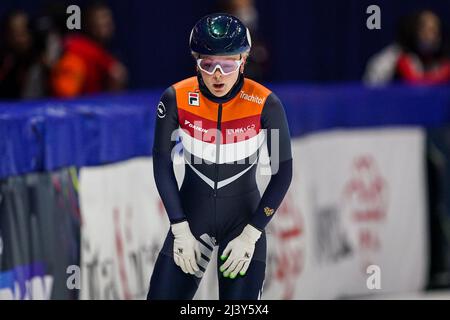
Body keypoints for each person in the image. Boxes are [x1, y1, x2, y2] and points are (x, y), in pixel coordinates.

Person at [146, 13, 293, 300]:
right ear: (195, 62)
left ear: (243, 61)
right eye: (208, 64)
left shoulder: (266, 103)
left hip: (243, 224)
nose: (217, 75)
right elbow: (161, 163)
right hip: (192, 221)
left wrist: (252, 233)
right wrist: (179, 227)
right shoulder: (175, 98)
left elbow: (283, 172)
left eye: (227, 65)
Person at [50, 1, 127, 98]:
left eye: (109, 22)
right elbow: (118, 74)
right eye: (102, 21)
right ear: (90, 24)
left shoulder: (77, 44)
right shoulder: (82, 47)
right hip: (76, 106)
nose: (107, 25)